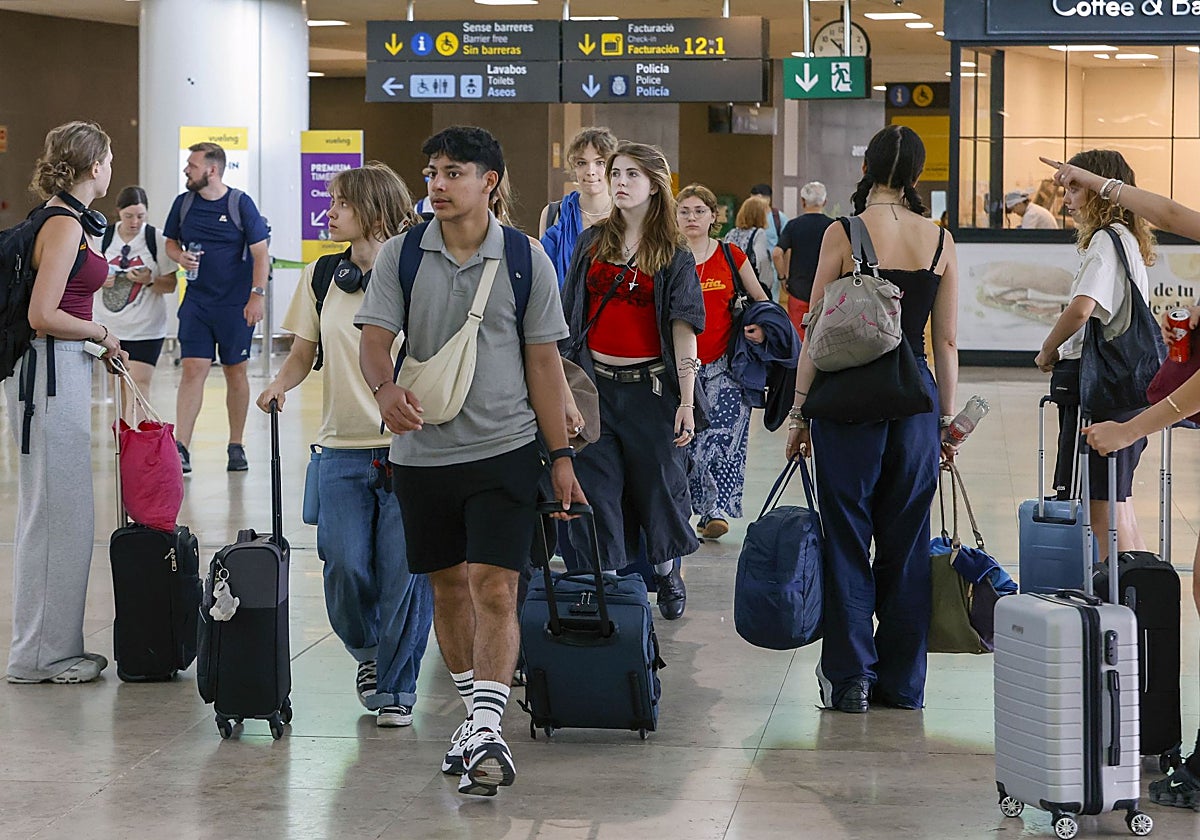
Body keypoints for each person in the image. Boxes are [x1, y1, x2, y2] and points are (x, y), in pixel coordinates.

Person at [357, 126, 584, 798]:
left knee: (494, 585)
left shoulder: (525, 258)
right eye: (431, 172)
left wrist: (562, 456)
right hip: (422, 455)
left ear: (490, 180)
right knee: (448, 588)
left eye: (453, 172)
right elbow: (375, 341)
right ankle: (475, 717)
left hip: (506, 449)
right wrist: (384, 388)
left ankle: (486, 727)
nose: (437, 184)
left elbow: (544, 363)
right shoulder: (403, 255)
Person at [785, 125, 960, 713]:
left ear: (868, 172)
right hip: (915, 403)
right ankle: (904, 685)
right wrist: (945, 421)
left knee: (846, 538)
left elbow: (815, 328)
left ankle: (850, 679)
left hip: (849, 403)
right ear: (916, 177)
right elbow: (950, 342)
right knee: (908, 543)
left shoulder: (844, 232)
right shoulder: (940, 241)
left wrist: (799, 410)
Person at [255, 163, 433, 728]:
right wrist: (279, 386)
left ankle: (396, 687)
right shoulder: (323, 274)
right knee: (344, 565)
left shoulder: (419, 271)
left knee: (404, 572)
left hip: (411, 445)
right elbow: (304, 353)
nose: (327, 213)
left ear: (374, 210)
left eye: (340, 204)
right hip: (341, 445)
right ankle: (369, 653)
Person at [559, 142, 706, 620]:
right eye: (615, 172)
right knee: (597, 492)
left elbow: (684, 328)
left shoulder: (674, 254)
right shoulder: (591, 243)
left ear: (655, 185)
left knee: (658, 489)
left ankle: (666, 571)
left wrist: (687, 398)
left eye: (631, 175)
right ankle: (609, 590)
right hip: (593, 388)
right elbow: (566, 316)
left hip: (653, 391)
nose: (619, 182)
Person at [5, 121, 127, 685]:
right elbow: (43, 313)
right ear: (92, 164)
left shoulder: (69, 221)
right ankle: (39, 655)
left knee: (61, 514)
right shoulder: (59, 225)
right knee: (58, 515)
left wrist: (92, 340)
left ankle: (48, 648)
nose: (110, 166)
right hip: (48, 377)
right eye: (106, 157)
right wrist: (99, 333)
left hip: (59, 372)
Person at [1033, 150, 1154, 554]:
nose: (1066, 198)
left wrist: (1048, 348)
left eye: (1075, 188)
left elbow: (1083, 307)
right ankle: (1136, 594)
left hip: (1105, 390)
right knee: (1121, 502)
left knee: (1101, 508)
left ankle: (1114, 601)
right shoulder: (1128, 241)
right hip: (1129, 387)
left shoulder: (1106, 240)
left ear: (1101, 191)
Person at [164, 142, 270, 474]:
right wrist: (178, 256)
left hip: (234, 305)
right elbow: (170, 241)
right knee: (193, 369)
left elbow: (260, 254)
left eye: (192, 166)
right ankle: (182, 446)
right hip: (196, 302)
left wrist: (257, 296)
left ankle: (235, 444)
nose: (186, 171)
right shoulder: (184, 204)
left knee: (234, 370)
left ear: (212, 170)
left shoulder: (240, 204)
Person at [676, 183, 768, 540]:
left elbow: (761, 301)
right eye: (685, 211)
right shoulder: (667, 255)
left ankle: (713, 510)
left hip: (726, 367)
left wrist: (759, 329)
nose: (692, 218)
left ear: (714, 216)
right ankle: (684, 506)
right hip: (680, 368)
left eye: (699, 211)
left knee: (722, 442)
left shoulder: (730, 255)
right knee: (688, 442)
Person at [96, 185, 178, 414]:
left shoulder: (156, 238)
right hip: (109, 328)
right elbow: (83, 278)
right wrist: (100, 280)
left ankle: (138, 440)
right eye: (128, 216)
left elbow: (171, 285)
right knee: (120, 386)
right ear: (118, 212)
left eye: (140, 216)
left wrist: (150, 279)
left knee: (139, 384)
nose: (134, 222)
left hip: (146, 329)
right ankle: (124, 439)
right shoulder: (102, 237)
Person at [540, 127, 619, 285]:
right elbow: (543, 274)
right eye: (582, 163)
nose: (590, 171)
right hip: (562, 307)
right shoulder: (554, 213)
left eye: (600, 163)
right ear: (573, 166)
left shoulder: (626, 215)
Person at [773, 181, 835, 339]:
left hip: (798, 291)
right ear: (825, 202)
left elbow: (777, 253)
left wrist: (782, 278)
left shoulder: (793, 225)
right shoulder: (833, 226)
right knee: (823, 338)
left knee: (799, 338)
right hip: (826, 293)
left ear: (802, 201)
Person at [723, 195, 773, 298]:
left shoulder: (731, 233)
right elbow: (762, 259)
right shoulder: (758, 233)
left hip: (732, 284)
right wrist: (766, 284)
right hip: (751, 286)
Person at [750, 182, 788, 296]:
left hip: (773, 271)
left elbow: (787, 247)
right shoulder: (750, 217)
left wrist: (784, 273)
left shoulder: (779, 218)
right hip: (751, 269)